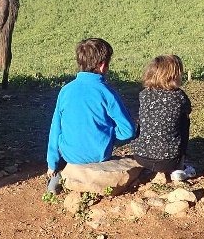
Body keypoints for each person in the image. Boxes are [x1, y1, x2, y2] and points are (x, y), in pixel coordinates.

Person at [45, 38, 136, 192]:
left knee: (65, 133)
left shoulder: (65, 91)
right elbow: (129, 130)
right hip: (99, 155)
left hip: (70, 156)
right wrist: (110, 136)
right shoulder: (107, 92)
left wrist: (51, 164)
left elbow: (55, 128)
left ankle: (57, 175)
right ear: (102, 65)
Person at [130, 54, 194, 182]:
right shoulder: (179, 96)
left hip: (140, 156)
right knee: (184, 120)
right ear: (172, 77)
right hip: (169, 161)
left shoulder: (144, 94)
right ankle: (179, 167)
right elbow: (188, 110)